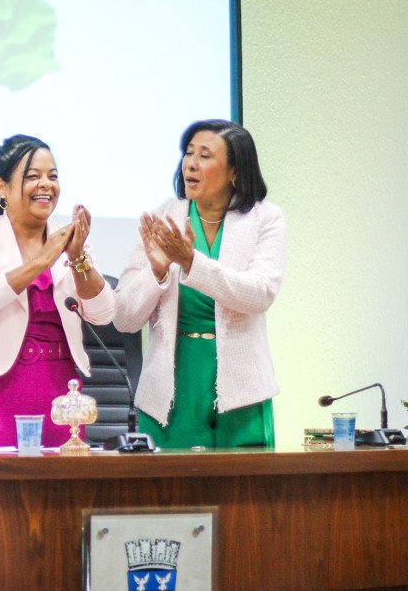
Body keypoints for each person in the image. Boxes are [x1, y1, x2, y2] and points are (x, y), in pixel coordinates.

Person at [113, 119, 285, 449]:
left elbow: (260, 294)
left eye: (205, 155)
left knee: (245, 497)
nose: (191, 163)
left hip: (242, 388)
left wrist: (191, 262)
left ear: (235, 171)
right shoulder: (164, 217)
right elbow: (125, 317)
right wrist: (159, 272)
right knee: (172, 497)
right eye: (188, 153)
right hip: (172, 388)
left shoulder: (265, 219)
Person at [0, 135, 116, 447]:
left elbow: (104, 312)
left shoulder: (70, 241)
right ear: (2, 187)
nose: (46, 185)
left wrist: (78, 257)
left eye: (52, 176)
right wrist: (41, 261)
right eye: (33, 177)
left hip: (61, 404)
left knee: (60, 496)